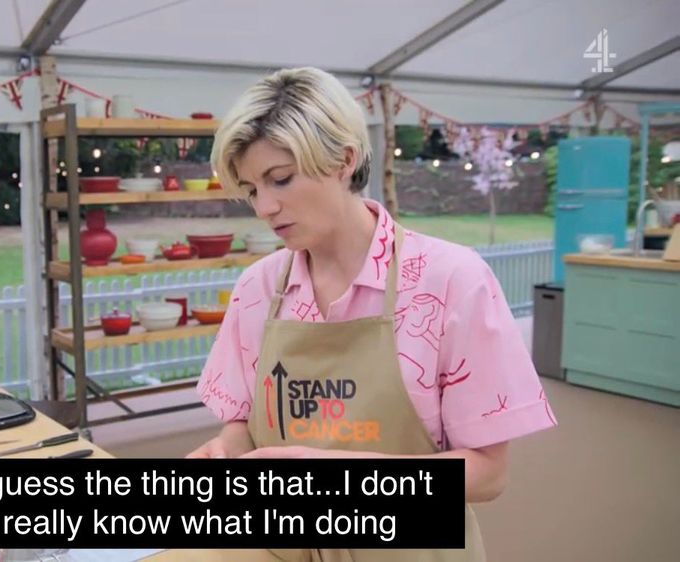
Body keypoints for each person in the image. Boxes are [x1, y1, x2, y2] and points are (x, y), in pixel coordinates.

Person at [188, 67, 558, 562]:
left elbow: (489, 474)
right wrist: (226, 453)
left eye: (280, 179)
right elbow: (243, 427)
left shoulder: (449, 281)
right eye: (252, 189)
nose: (265, 207)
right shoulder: (258, 289)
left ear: (344, 159)